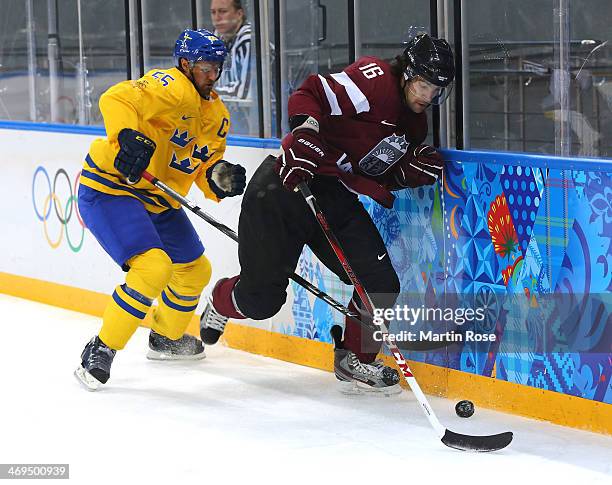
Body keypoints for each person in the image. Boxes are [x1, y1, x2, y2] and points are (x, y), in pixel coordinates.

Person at [199, 33, 455, 394]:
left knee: (379, 283)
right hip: (283, 186)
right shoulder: (376, 81)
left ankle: (356, 361)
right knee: (261, 301)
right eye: (423, 84)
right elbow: (311, 92)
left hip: (330, 195)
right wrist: (305, 132)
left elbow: (370, 170)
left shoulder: (413, 127)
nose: (427, 96)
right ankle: (222, 298)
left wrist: (403, 174)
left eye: (435, 90)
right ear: (407, 72)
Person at [74, 29, 247, 391]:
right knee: (154, 267)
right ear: (185, 64)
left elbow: (202, 163)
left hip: (157, 199)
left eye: (217, 67)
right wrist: (126, 135)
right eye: (205, 67)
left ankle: (165, 338)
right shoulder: (169, 85)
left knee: (195, 270)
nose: (212, 75)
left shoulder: (217, 114)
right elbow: (116, 98)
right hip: (111, 188)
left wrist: (217, 177)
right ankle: (101, 347)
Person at [210, 0, 254, 133]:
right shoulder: (217, 38)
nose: (217, 18)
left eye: (222, 12)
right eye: (213, 12)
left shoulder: (249, 39)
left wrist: (205, 92)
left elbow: (243, 92)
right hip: (232, 117)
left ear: (239, 14)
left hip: (255, 122)